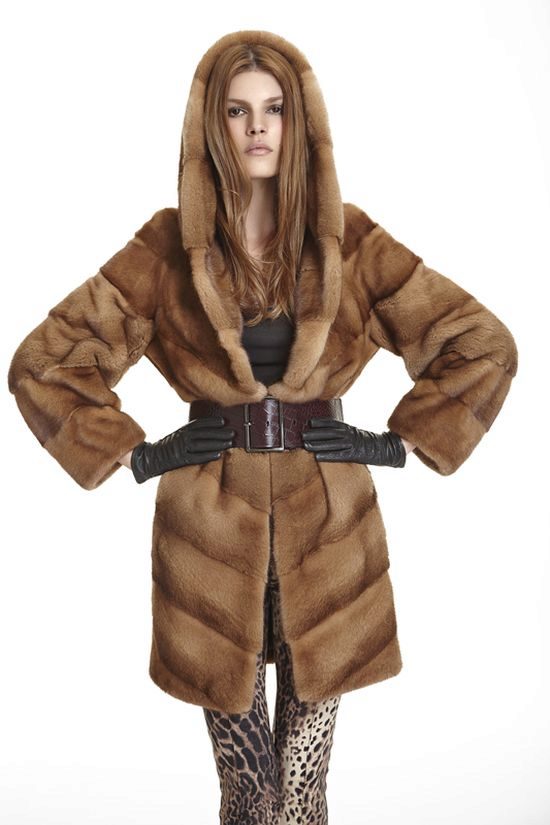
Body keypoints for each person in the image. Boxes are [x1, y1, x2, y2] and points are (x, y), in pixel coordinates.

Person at [7, 29, 518, 824]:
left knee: (303, 784)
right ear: (211, 124)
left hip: (330, 538)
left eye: (274, 109)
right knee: (251, 790)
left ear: (298, 121)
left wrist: (394, 442)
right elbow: (44, 362)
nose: (256, 128)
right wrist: (140, 454)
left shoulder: (349, 241)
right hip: (211, 537)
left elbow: (481, 343)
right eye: (238, 110)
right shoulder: (167, 248)